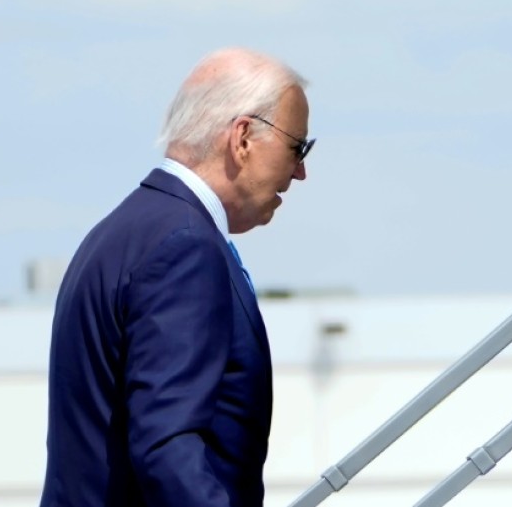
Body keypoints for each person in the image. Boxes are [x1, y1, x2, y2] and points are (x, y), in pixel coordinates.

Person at [38, 48, 315, 507]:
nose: (301, 171)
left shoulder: (123, 230)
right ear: (243, 137)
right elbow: (168, 450)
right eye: (297, 147)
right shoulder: (186, 245)